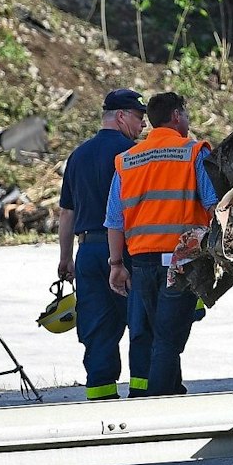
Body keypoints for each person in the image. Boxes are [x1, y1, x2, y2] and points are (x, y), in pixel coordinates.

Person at [105, 91, 217, 397]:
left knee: (160, 334)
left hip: (142, 263)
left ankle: (173, 391)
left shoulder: (128, 160)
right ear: (177, 116)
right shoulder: (192, 153)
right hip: (180, 261)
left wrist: (116, 264)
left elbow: (114, 219)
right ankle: (160, 402)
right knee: (168, 339)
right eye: (187, 115)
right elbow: (213, 205)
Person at [57, 89, 148, 399]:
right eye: (139, 118)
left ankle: (100, 394)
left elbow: (67, 212)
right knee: (140, 322)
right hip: (126, 251)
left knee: (96, 327)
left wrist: (66, 258)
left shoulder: (78, 155)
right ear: (120, 116)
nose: (143, 125)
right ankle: (143, 392)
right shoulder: (135, 155)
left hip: (88, 252)